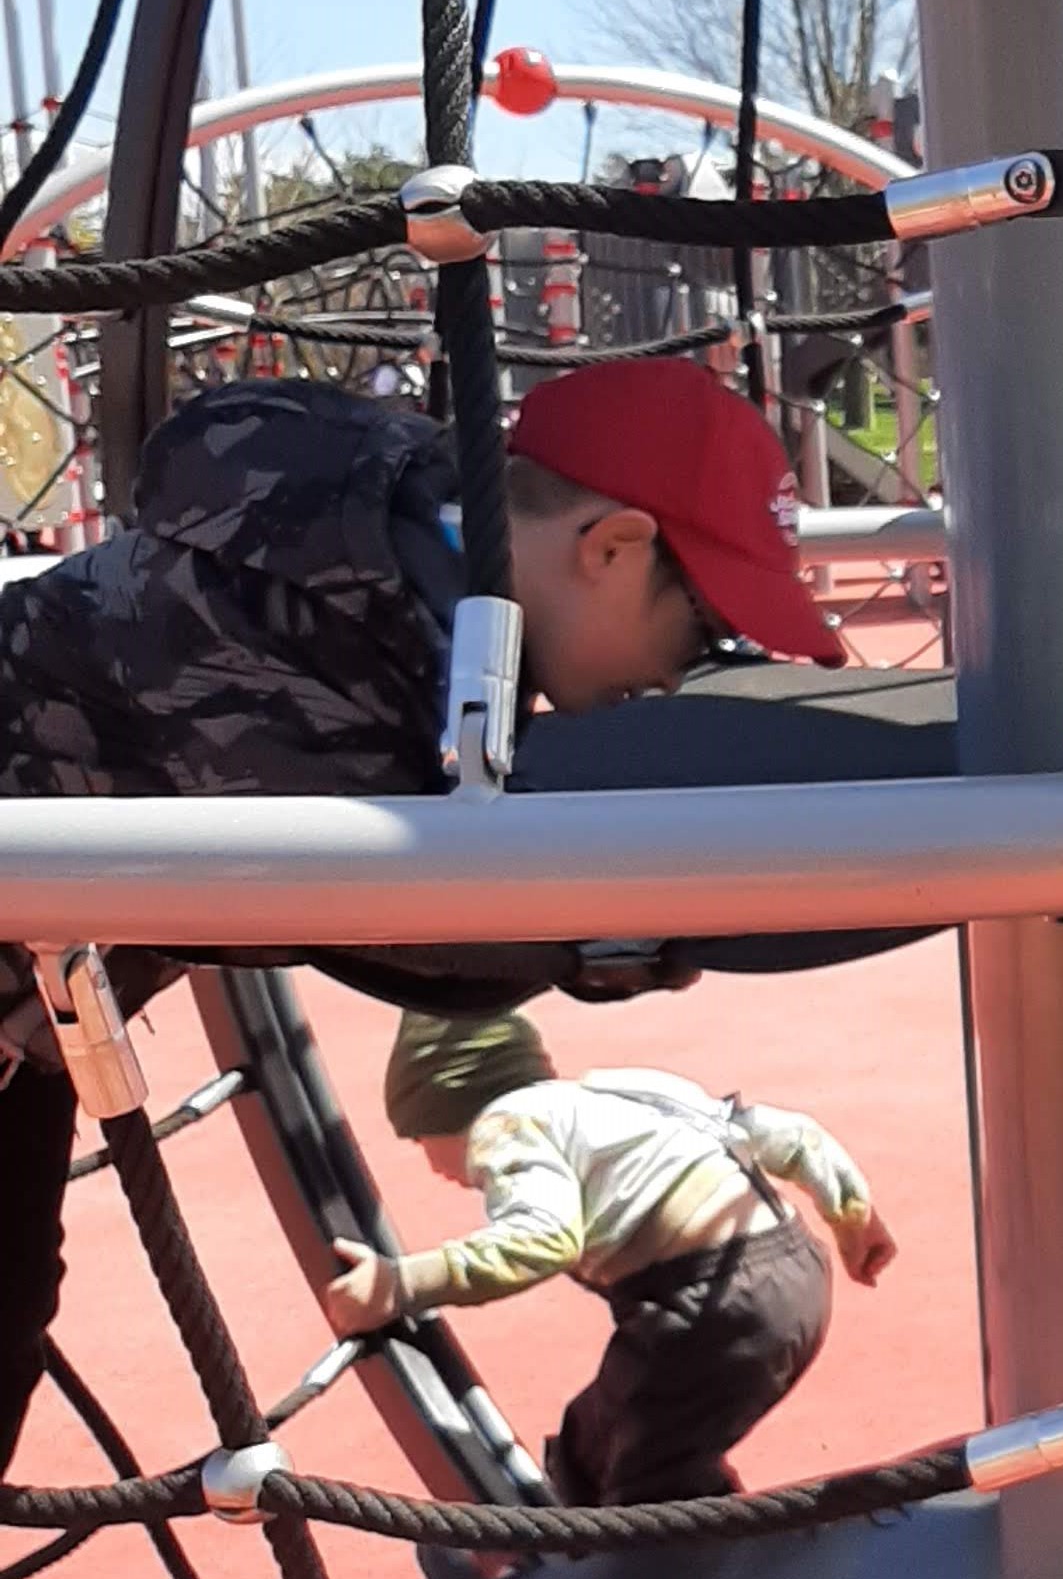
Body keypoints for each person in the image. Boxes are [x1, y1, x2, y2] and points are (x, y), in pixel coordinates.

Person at [0, 358, 843, 1476]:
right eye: (699, 640)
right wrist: (668, 918)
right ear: (610, 547)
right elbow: (417, 927)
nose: (682, 680)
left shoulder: (375, 531)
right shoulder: (294, 636)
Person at [329, 1012, 894, 1505]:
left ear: (448, 1106)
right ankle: (596, 1536)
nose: (431, 1165)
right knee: (597, 1439)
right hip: (798, 1272)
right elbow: (788, 1135)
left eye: (420, 1141)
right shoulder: (617, 1092)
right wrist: (852, 1216)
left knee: (649, 1487)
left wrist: (399, 1284)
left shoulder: (505, 1125)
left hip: (713, 1306)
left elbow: (542, 1240)